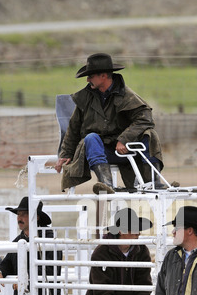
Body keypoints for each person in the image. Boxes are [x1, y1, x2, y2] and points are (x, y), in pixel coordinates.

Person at [55, 53, 164, 193]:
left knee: (150, 135)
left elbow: (145, 119)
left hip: (128, 149)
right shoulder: (85, 98)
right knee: (90, 138)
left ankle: (154, 182)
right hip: (100, 151)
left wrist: (124, 139)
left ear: (103, 76)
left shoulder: (127, 96)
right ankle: (106, 184)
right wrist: (65, 154)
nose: (88, 80)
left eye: (91, 76)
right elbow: (73, 128)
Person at [0, 197, 62, 295]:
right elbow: (8, 262)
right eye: (19, 214)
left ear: (36, 217)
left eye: (24, 214)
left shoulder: (50, 240)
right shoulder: (19, 240)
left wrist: (25, 278)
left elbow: (51, 271)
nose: (20, 218)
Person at [84, 207, 153, 295]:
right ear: (121, 231)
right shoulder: (102, 252)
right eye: (134, 230)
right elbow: (101, 289)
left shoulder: (142, 251)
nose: (138, 233)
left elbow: (144, 285)